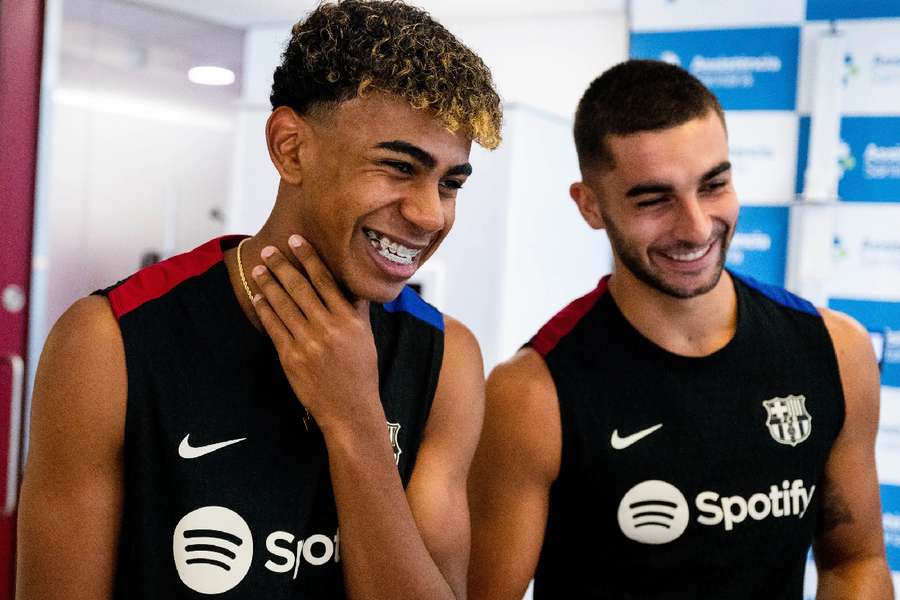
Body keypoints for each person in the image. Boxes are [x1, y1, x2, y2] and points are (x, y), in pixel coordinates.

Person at [16, 1, 501, 598]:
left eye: (450, 183)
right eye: (399, 166)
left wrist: (354, 423)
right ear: (290, 147)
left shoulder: (447, 358)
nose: (430, 213)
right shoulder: (108, 341)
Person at [467, 59, 892, 599]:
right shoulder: (531, 395)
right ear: (591, 206)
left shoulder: (834, 350)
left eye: (713, 185)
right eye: (654, 200)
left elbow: (856, 562)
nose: (696, 226)